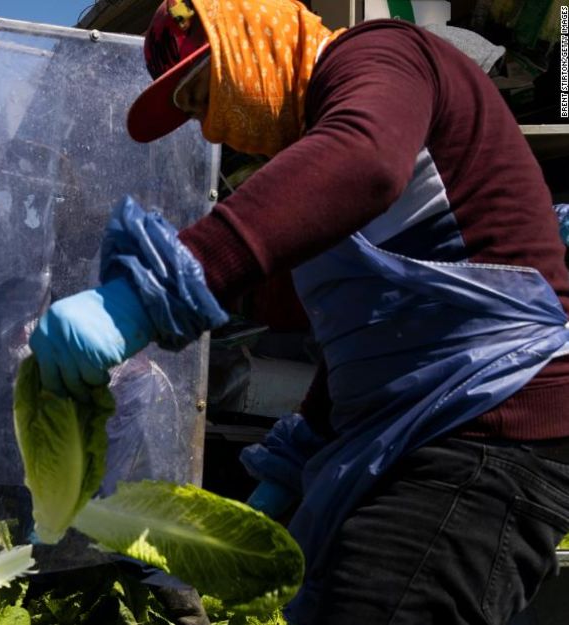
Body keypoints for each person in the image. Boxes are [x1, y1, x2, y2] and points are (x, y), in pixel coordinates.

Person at [29, 1, 569, 623]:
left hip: (489, 430)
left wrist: (149, 292)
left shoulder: (383, 55)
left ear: (255, 36)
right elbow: (367, 348)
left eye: (203, 94)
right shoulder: (324, 170)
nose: (208, 131)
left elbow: (363, 161)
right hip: (420, 430)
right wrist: (286, 473)